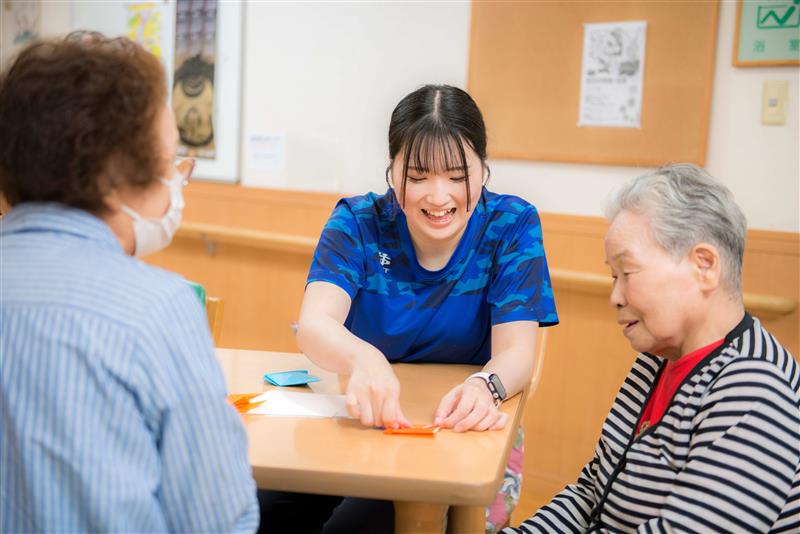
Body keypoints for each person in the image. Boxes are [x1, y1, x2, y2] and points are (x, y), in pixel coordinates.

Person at [259, 85, 559, 533]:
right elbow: (315, 323)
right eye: (417, 176)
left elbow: (517, 354)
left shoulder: (511, 226)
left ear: (482, 169)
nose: (438, 197)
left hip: (455, 436)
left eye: (457, 174)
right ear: (392, 170)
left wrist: (485, 386)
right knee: (260, 510)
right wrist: (363, 357)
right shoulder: (358, 223)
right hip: (360, 424)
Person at [0, 33, 258, 532]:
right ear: (115, 177)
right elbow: (216, 520)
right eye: (169, 163)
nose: (177, 182)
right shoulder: (156, 309)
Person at [505, 164, 800, 533]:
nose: (614, 296)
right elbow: (591, 494)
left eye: (627, 273)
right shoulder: (656, 361)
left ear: (704, 266)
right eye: (614, 277)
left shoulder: (755, 387)